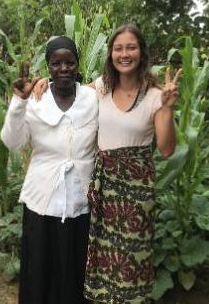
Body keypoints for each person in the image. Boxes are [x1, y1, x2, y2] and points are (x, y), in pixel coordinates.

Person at [34, 24, 181, 303]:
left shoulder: (154, 96)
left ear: (142, 52)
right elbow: (68, 88)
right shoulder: (101, 88)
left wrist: (169, 108)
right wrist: (44, 82)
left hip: (136, 189)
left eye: (131, 47)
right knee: (102, 257)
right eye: (118, 48)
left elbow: (166, 149)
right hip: (103, 186)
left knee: (132, 259)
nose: (125, 54)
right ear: (111, 54)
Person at [0, 36, 98, 304]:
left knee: (75, 267)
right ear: (48, 66)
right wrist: (19, 101)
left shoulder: (92, 98)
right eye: (56, 63)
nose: (63, 68)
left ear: (78, 65)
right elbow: (12, 141)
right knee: (41, 267)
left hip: (81, 200)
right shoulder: (35, 100)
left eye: (70, 62)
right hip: (42, 199)